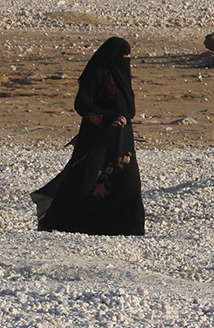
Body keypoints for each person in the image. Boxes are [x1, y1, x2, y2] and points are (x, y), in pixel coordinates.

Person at [32, 37, 146, 235]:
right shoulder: (97, 74)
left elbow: (127, 108)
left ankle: (128, 227)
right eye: (123, 57)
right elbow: (82, 104)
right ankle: (56, 220)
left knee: (126, 181)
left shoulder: (120, 75)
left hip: (121, 140)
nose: (126, 61)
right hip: (98, 138)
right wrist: (107, 117)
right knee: (85, 179)